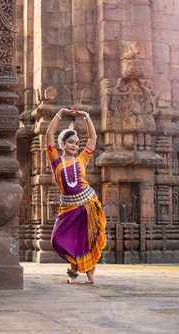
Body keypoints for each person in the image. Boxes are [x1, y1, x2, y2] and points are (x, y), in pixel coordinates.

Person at [45, 108, 107, 284]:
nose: (74, 145)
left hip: (87, 203)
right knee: (56, 239)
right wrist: (60, 113)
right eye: (71, 142)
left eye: (77, 143)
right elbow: (49, 133)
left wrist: (87, 116)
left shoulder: (81, 160)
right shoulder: (55, 160)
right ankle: (75, 268)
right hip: (68, 207)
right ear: (63, 143)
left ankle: (86, 271)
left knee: (85, 238)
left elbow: (93, 139)